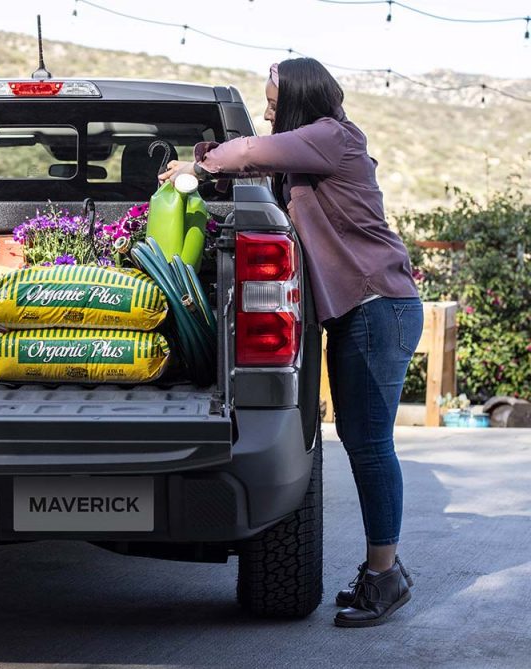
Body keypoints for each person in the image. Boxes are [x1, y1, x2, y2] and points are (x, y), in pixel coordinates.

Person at [159, 57, 423, 628]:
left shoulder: (333, 137)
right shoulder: (309, 155)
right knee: (359, 438)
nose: (269, 108)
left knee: (371, 443)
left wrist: (197, 162)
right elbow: (255, 170)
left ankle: (386, 574)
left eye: (275, 100)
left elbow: (250, 151)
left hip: (380, 307)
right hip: (359, 313)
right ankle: (383, 570)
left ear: (302, 97)